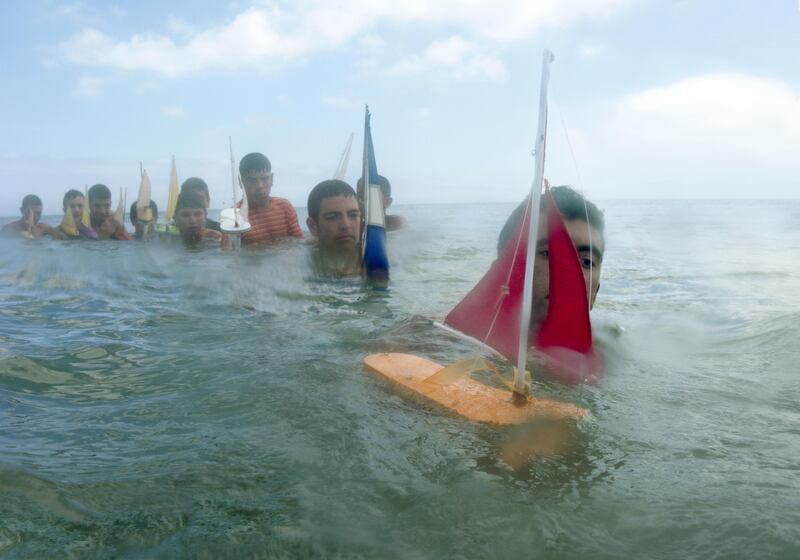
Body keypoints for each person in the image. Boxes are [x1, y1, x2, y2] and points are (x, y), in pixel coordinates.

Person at [497, 185, 605, 333]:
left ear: (595, 292)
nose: (571, 272)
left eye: (586, 262)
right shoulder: (464, 348)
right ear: (499, 275)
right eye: (550, 253)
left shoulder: (615, 349)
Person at [238, 152, 303, 247]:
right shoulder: (236, 216)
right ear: (241, 182)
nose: (259, 186)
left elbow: (300, 242)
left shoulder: (285, 207)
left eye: (264, 179)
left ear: (271, 179)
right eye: (252, 180)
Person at [306, 179, 361, 276]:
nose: (346, 225)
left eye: (353, 215)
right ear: (313, 226)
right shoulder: (300, 269)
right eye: (332, 217)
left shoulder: (379, 259)